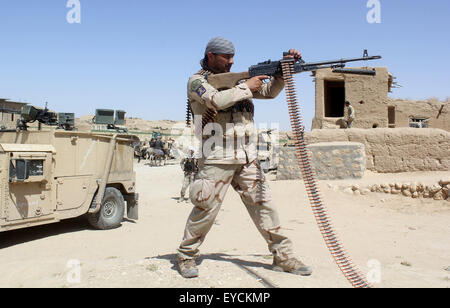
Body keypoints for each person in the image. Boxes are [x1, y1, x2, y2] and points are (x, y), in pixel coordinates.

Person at [176, 37, 312, 279]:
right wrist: (247, 86)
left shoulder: (239, 81)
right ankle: (186, 256)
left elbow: (269, 93)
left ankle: (283, 256)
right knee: (205, 208)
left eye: (232, 56)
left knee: (265, 207)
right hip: (217, 156)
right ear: (210, 56)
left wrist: (281, 72)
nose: (231, 61)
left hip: (247, 156)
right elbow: (216, 100)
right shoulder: (197, 82)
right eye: (225, 57)